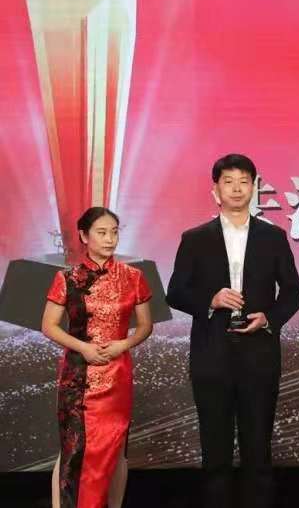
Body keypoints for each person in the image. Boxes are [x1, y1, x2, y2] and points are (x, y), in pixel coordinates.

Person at [166, 154, 299, 508]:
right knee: (215, 454)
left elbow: (293, 292)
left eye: (244, 181)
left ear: (254, 187)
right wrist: (210, 300)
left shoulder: (273, 237)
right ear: (215, 190)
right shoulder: (195, 238)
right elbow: (175, 292)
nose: (237, 188)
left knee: (258, 453)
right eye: (228, 181)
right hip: (211, 359)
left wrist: (269, 318)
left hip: (259, 358)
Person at [42, 207, 153, 508]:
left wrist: (123, 344)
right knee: (73, 449)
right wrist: (84, 348)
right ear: (83, 236)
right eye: (102, 232)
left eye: (114, 232)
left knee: (115, 447)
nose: (109, 239)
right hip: (78, 375)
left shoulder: (134, 277)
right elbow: (49, 325)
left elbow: (145, 326)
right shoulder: (67, 278)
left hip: (117, 373)